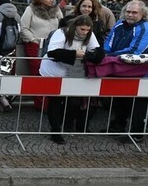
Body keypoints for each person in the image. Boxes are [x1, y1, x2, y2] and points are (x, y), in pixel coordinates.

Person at [40, 15, 104, 143]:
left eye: (87, 30)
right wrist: (74, 54)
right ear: (75, 27)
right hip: (54, 71)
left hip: (73, 72)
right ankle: (55, 131)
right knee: (55, 101)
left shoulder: (89, 35)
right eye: (82, 29)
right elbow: (53, 52)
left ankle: (67, 125)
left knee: (72, 100)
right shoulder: (61, 33)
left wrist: (90, 56)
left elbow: (98, 51)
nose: (84, 33)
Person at [104, 0, 148, 136]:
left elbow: (134, 50)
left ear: (142, 14)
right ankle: (118, 126)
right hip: (120, 68)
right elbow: (109, 40)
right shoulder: (119, 24)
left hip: (141, 72)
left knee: (138, 104)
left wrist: (109, 56)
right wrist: (105, 52)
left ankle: (137, 134)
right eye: (128, 11)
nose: (130, 15)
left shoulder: (145, 28)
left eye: (134, 12)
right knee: (119, 100)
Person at [20, 0, 62, 78]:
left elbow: (62, 26)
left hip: (53, 46)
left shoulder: (57, 10)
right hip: (36, 46)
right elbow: (24, 27)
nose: (51, 0)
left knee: (52, 71)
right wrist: (33, 40)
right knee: (37, 70)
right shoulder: (30, 9)